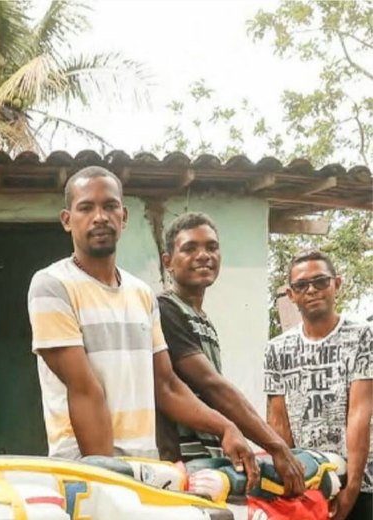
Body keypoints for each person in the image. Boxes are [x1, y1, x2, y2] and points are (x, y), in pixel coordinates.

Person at [26, 166, 258, 488]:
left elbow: (166, 386)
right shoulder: (52, 285)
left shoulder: (141, 294)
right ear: (67, 220)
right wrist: (109, 485)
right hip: (86, 472)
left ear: (124, 216)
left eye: (109, 206)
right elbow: (85, 390)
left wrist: (226, 427)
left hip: (145, 469)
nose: (100, 217)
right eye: (86, 207)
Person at [156, 212, 305, 496]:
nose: (203, 255)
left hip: (209, 456)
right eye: (189, 248)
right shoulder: (166, 310)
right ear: (168, 262)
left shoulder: (200, 317)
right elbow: (212, 386)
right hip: (181, 462)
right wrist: (275, 445)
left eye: (211, 247)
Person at [264, 250, 372, 520]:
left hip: (363, 482)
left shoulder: (362, 336)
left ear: (336, 284)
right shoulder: (276, 350)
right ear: (291, 295)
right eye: (301, 285)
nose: (311, 290)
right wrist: (285, 483)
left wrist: (353, 488)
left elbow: (360, 414)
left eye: (320, 282)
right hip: (310, 483)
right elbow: (279, 423)